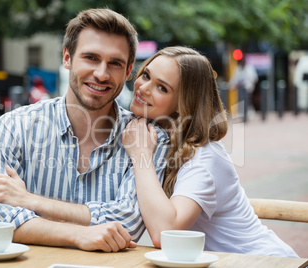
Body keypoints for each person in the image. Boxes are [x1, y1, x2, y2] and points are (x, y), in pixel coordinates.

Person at [0, 8, 170, 252]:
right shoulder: (14, 127)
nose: (101, 74)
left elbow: (128, 224)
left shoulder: (150, 139)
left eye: (115, 63)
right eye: (91, 58)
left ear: (128, 70)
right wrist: (78, 235)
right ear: (67, 58)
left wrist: (31, 203)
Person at [122, 46, 298, 257]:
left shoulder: (205, 156)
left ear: (184, 103)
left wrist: (141, 155)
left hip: (263, 262)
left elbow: (164, 233)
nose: (143, 88)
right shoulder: (157, 137)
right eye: (146, 75)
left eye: (162, 88)